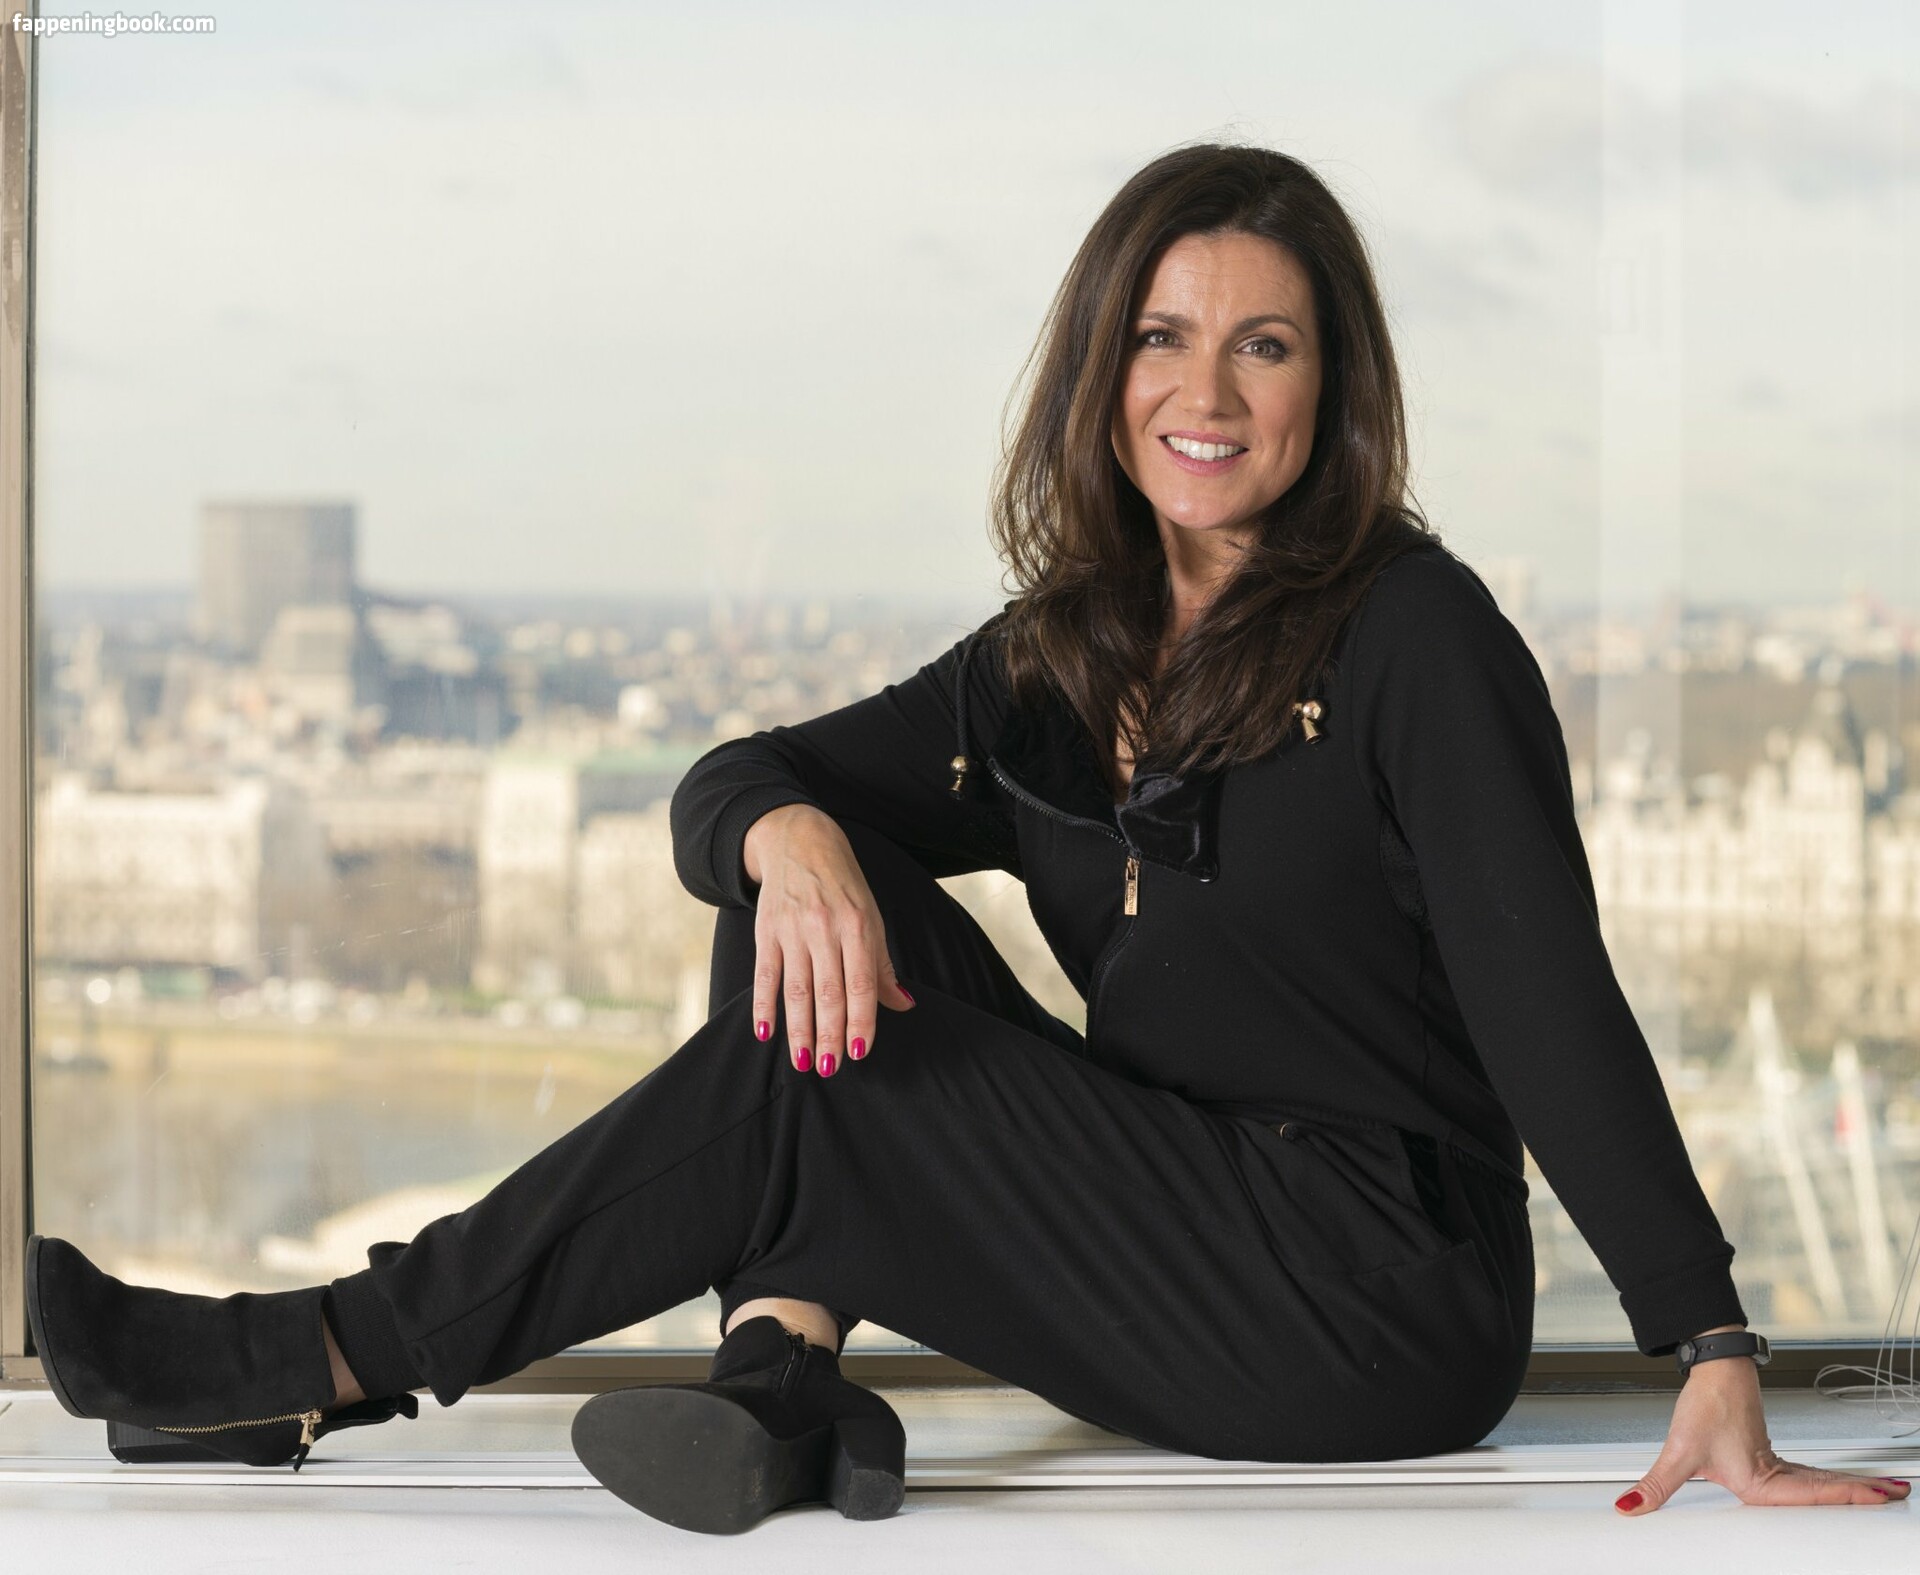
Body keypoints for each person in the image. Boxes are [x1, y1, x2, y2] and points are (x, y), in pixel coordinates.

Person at [25, 141, 1908, 1534]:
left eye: (1264, 347)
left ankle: (311, 1361)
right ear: (1103, 368)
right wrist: (789, 835)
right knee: (809, 895)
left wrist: (1708, 1343)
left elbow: (1547, 995)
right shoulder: (1061, 654)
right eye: (1164, 338)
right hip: (1173, 1214)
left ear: (1331, 390)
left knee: (815, 1042)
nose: (1207, 393)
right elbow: (737, 773)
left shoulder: (1418, 638)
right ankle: (780, 1379)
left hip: (1374, 1296)